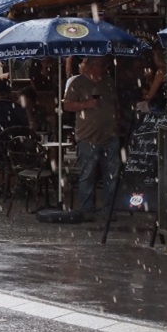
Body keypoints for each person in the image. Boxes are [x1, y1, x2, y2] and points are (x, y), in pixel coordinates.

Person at [62, 56, 119, 221]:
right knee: (88, 174)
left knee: (111, 175)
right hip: (88, 137)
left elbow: (115, 104)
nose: (104, 68)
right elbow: (67, 105)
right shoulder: (77, 83)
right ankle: (87, 208)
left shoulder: (108, 82)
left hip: (110, 136)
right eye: (101, 65)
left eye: (105, 65)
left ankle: (109, 209)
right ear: (91, 66)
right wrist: (85, 104)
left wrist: (117, 121)